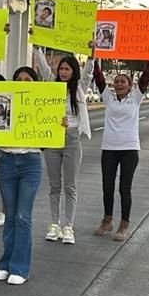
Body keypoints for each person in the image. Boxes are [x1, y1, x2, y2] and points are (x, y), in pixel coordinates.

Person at [34, 48, 94, 245]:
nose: (63, 72)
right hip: (53, 140)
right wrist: (36, 46)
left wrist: (93, 54)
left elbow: (88, 72)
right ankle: (54, 223)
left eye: (67, 69)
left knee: (70, 185)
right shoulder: (52, 85)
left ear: (73, 71)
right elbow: (42, 67)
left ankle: (68, 226)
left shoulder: (79, 88)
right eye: (61, 69)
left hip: (72, 140)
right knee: (54, 185)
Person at [93, 55, 149, 241]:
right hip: (109, 149)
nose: (119, 84)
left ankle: (124, 225)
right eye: (117, 82)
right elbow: (98, 78)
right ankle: (107, 220)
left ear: (130, 86)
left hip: (129, 149)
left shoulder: (136, 98)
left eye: (123, 82)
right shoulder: (108, 98)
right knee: (107, 187)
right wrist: (94, 57)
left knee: (124, 188)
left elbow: (146, 76)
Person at [0, 66, 43, 286]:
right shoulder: (3, 102)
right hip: (6, 160)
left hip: (30, 162)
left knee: (23, 216)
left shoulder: (41, 103)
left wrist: (59, 125)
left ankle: (20, 268)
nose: (23, 82)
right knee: (10, 215)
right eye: (19, 79)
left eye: (28, 79)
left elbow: (49, 134)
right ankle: (5, 264)